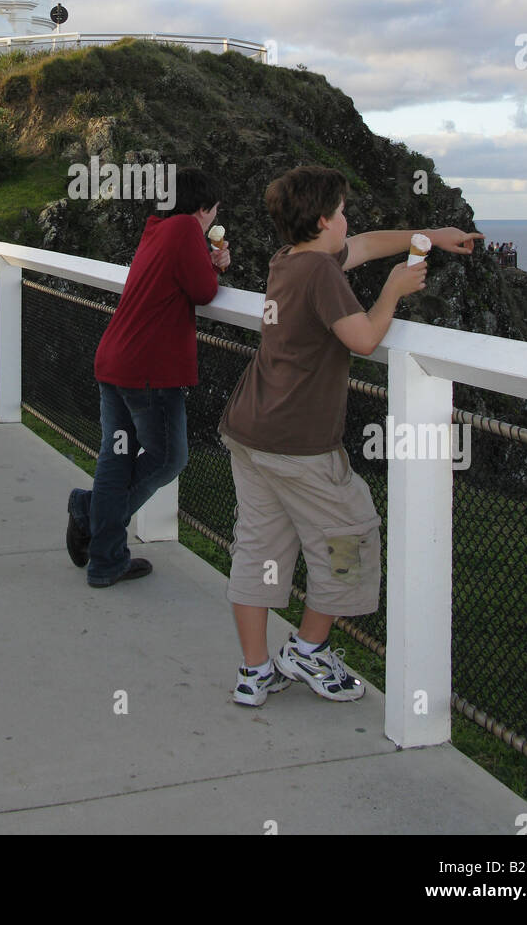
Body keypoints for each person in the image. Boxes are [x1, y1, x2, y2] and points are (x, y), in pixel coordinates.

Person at [219, 165, 483, 706]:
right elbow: (363, 338)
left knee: (258, 546)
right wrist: (392, 291)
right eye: (341, 211)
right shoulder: (321, 274)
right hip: (299, 445)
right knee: (352, 538)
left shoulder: (289, 260)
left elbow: (361, 245)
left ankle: (253, 671)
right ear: (322, 220)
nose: (349, 219)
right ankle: (308, 649)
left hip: (250, 430)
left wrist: (429, 237)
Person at [66, 168, 230, 587]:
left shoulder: (157, 228)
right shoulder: (185, 229)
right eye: (213, 210)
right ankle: (90, 515)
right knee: (169, 458)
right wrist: (217, 267)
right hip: (148, 370)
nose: (213, 217)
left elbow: (179, 277)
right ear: (201, 208)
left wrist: (207, 262)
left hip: (116, 358)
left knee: (116, 457)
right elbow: (204, 292)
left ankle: (105, 557)